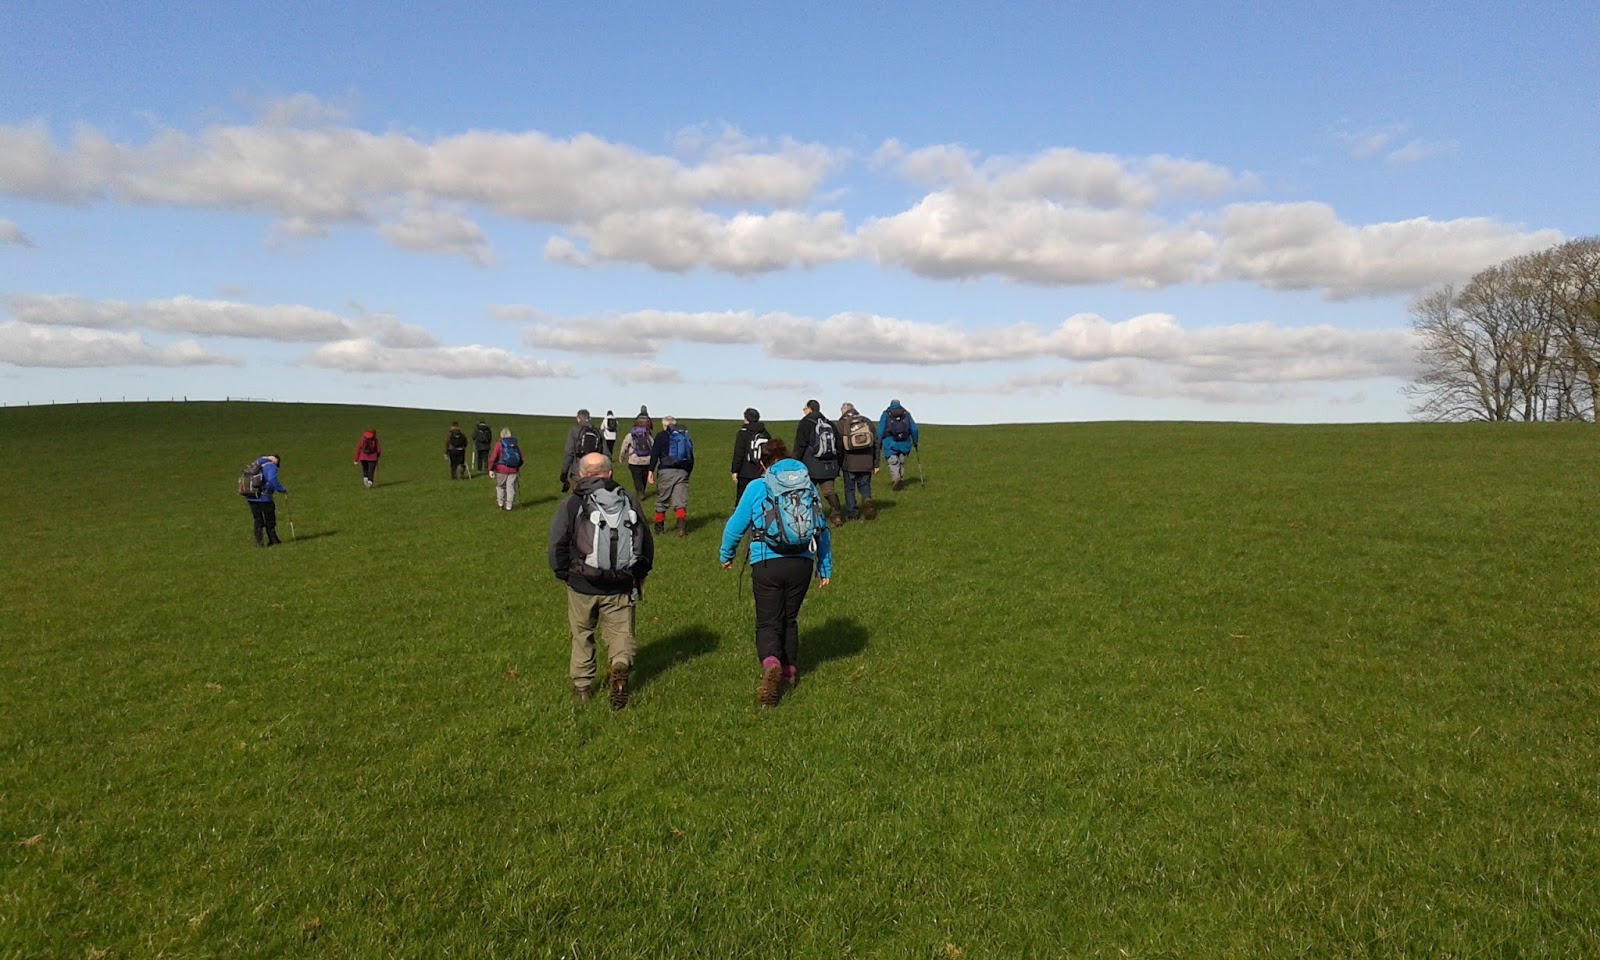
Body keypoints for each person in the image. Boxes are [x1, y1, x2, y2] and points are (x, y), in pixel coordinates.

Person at [719, 438, 833, 707]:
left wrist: (727, 555)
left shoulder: (758, 486)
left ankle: (770, 662)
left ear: (762, 463)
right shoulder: (807, 486)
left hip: (767, 563)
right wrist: (824, 567)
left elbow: (736, 524)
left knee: (768, 621)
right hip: (802, 562)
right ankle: (789, 673)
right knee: (789, 620)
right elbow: (822, 528)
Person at [548, 452, 654, 709]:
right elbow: (645, 541)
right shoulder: (627, 500)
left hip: (582, 583)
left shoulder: (572, 504)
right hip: (620, 581)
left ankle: (582, 687)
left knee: (582, 633)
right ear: (609, 473)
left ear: (582, 474)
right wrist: (639, 575)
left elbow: (557, 545)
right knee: (620, 633)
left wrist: (565, 574)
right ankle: (619, 664)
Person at [793, 399, 844, 525]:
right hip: (829, 464)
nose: (804, 411)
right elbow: (839, 445)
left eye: (805, 408)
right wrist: (838, 464)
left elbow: (800, 445)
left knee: (806, 491)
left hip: (810, 464)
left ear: (810, 409)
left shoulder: (805, 423)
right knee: (829, 491)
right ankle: (837, 515)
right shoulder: (829, 423)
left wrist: (795, 462)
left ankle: (806, 517)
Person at [648, 415, 694, 536]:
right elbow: (690, 456)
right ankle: (682, 528)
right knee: (680, 501)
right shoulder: (684, 436)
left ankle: (659, 529)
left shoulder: (661, 436)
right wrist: (687, 472)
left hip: (666, 471)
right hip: (683, 471)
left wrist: (650, 471)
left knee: (662, 500)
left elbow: (655, 454)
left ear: (664, 425)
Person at [837, 402, 879, 520]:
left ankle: (852, 514)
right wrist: (876, 463)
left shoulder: (841, 424)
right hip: (866, 461)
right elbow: (876, 442)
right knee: (865, 485)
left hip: (849, 463)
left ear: (843, 410)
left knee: (849, 489)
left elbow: (839, 446)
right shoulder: (867, 421)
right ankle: (866, 499)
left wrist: (839, 463)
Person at [243, 454, 288, 547]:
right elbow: (272, 480)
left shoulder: (256, 463)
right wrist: (281, 489)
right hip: (265, 497)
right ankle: (273, 540)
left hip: (251, 496)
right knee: (270, 519)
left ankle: (259, 542)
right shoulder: (271, 466)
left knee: (257, 519)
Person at [729, 406, 772, 504]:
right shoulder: (765, 433)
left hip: (745, 471)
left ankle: (741, 518)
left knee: (742, 498)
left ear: (746, 419)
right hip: (761, 471)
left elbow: (739, 453)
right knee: (760, 498)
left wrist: (735, 470)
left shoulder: (743, 433)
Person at [878, 399, 920, 491]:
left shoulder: (886, 414)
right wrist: (915, 442)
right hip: (904, 442)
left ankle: (896, 479)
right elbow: (914, 429)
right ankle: (900, 479)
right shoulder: (906, 414)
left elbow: (881, 429)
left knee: (893, 462)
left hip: (890, 442)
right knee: (901, 461)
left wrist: (879, 442)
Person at [559, 409, 605, 491]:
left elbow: (569, 453)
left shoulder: (574, 431)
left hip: (578, 472)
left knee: (579, 498)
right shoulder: (598, 432)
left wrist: (564, 474)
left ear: (578, 419)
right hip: (595, 471)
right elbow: (606, 454)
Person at [488, 427, 523, 511]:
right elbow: (521, 458)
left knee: (501, 486)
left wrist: (491, 469)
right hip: (513, 470)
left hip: (501, 469)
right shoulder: (515, 444)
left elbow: (493, 458)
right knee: (510, 488)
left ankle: (500, 504)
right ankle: (509, 506)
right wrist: (517, 466)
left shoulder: (499, 444)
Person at [620, 415, 653, 498]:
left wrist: (622, 456)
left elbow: (624, 446)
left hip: (634, 460)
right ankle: (642, 490)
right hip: (647, 459)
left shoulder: (630, 435)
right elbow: (653, 445)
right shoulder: (647, 434)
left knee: (637, 477)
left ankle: (640, 491)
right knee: (644, 476)